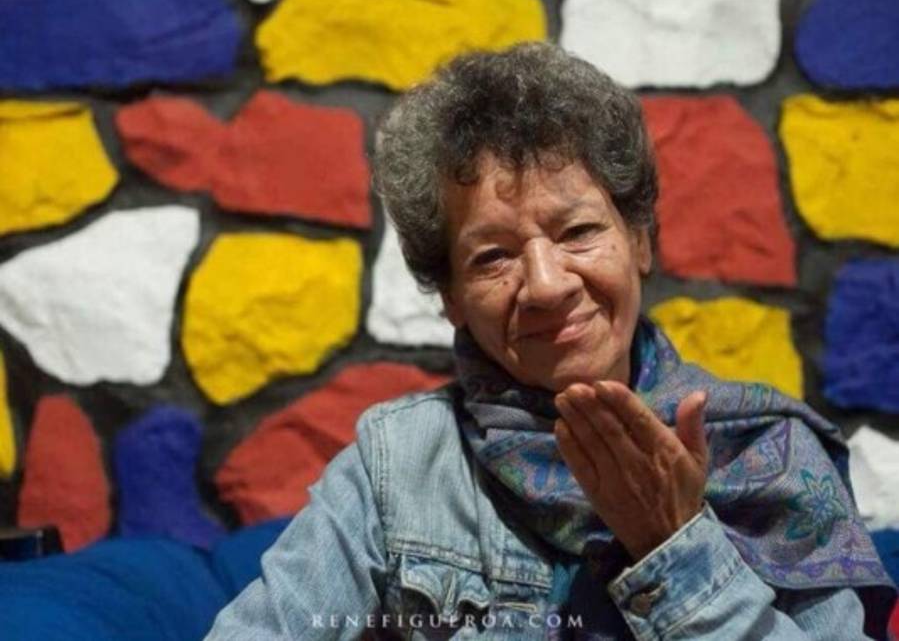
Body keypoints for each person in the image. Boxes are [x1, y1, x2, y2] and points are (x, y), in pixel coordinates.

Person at [204, 43, 895, 640]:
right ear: (450, 297)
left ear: (639, 241)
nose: (545, 284)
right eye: (492, 257)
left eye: (578, 232)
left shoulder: (768, 454)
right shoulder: (400, 463)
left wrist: (674, 544)